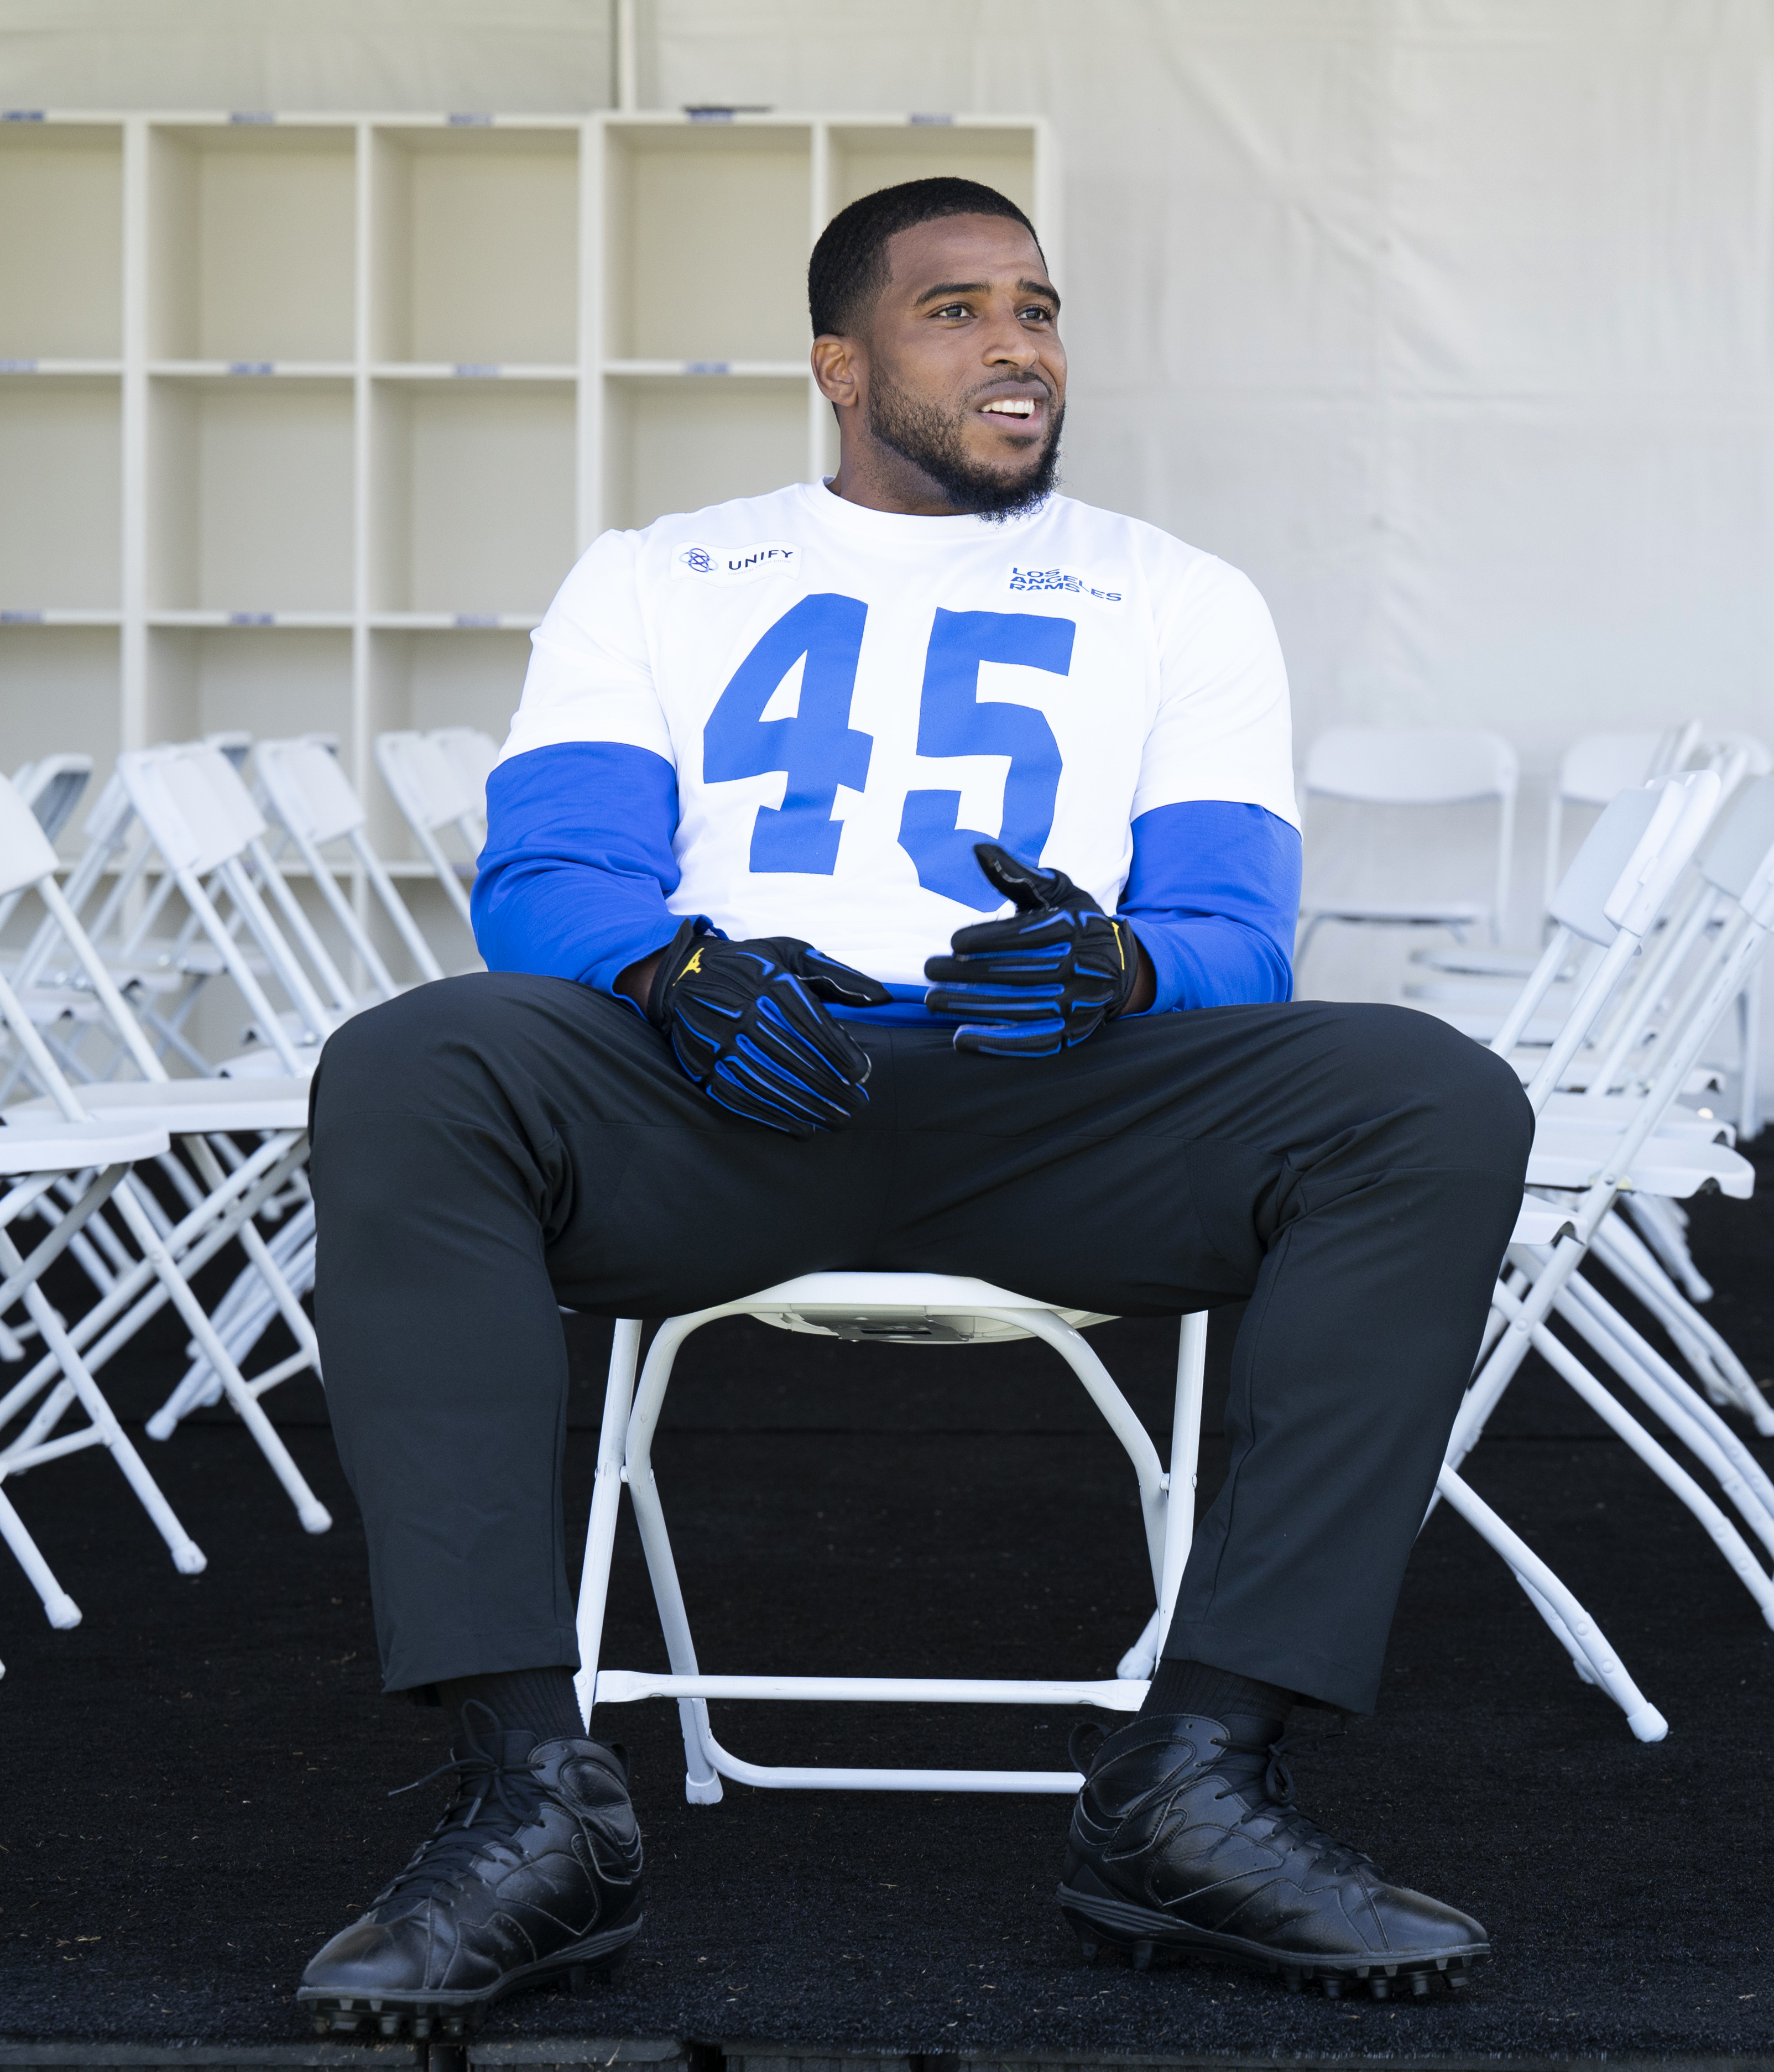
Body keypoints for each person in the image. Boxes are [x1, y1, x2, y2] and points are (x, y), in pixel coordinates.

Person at [295, 178, 1532, 2038]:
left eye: (1038, 306)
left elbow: (1232, 932)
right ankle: (533, 1802)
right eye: (956, 310)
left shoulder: (1175, 593)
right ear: (838, 363)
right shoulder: (657, 569)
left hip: (1050, 1108)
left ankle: (1195, 1782)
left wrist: (1122, 970)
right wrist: (669, 974)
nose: (1019, 341)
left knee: (1426, 1093)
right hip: (727, 1092)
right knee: (412, 1059)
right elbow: (547, 874)